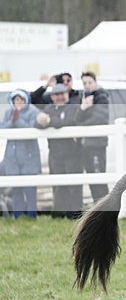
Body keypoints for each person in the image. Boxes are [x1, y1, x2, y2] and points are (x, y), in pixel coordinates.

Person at [35, 83, 83, 219]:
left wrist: (50, 121)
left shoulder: (74, 108)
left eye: (62, 94)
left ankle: (75, 215)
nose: (60, 97)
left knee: (73, 185)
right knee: (58, 185)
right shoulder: (50, 108)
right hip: (56, 154)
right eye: (57, 95)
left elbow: (69, 122)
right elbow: (39, 124)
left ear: (67, 94)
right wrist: (40, 121)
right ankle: (59, 214)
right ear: (52, 97)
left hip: (72, 153)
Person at [0, 89, 41, 218]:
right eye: (16, 100)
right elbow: (3, 128)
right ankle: (17, 216)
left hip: (29, 156)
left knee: (30, 189)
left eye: (21, 100)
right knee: (16, 189)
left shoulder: (33, 112)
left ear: (26, 100)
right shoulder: (8, 113)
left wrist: (17, 120)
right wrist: (12, 121)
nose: (19, 102)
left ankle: (31, 215)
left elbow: (31, 129)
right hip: (12, 157)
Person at [74, 71, 110, 202]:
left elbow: (99, 119)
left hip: (97, 145)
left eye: (90, 82)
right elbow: (75, 120)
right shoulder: (84, 98)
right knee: (92, 180)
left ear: (95, 82)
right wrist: (83, 108)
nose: (87, 85)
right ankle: (98, 210)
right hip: (86, 145)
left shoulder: (101, 97)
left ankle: (106, 210)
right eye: (85, 83)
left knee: (99, 178)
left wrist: (82, 125)